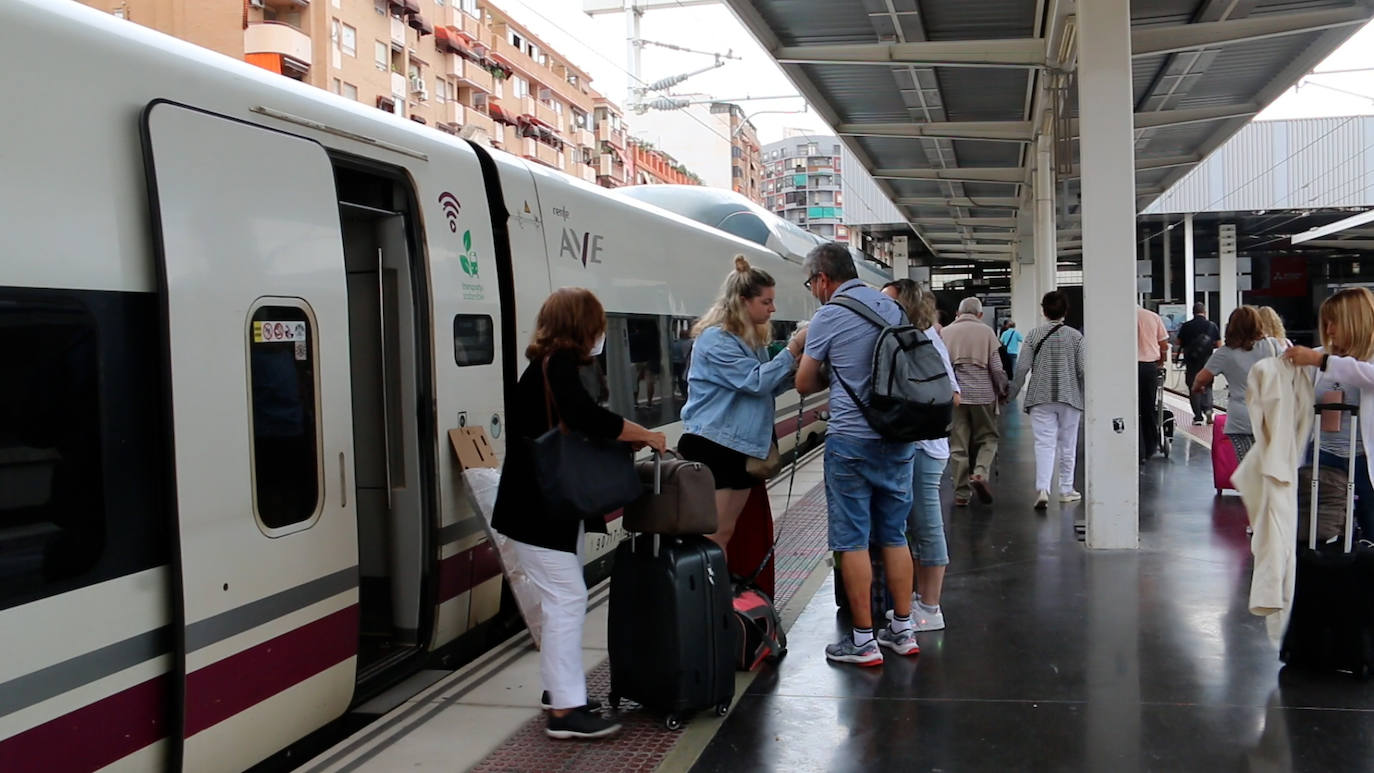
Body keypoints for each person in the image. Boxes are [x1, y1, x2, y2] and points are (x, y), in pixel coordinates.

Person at [491, 288, 667, 740]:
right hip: (538, 510)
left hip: (541, 508)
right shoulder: (559, 366)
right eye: (599, 323)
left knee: (560, 602)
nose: (602, 333)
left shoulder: (541, 367)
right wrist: (644, 434)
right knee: (568, 598)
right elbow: (587, 417)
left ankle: (559, 691)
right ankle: (566, 713)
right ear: (581, 325)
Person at [796, 242, 918, 666]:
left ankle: (863, 640)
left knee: (851, 542)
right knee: (894, 534)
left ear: (825, 279)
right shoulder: (893, 309)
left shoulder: (829, 315)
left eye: (812, 283)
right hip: (899, 438)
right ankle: (902, 630)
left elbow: (804, 383)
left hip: (851, 442)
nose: (814, 290)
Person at [680, 255, 806, 552]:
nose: (773, 309)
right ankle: (712, 596)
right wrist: (793, 348)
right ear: (743, 301)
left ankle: (720, 595)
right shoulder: (716, 339)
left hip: (738, 446)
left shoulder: (749, 342)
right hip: (714, 445)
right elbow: (755, 382)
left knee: (725, 532)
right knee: (714, 535)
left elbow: (762, 389)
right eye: (766, 301)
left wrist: (798, 373)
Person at [882, 279, 957, 631]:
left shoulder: (922, 341)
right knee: (916, 527)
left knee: (927, 527)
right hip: (921, 446)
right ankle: (919, 600)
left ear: (905, 306)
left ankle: (931, 607)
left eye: (887, 302)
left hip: (924, 448)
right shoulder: (919, 339)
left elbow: (951, 395)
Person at [1283, 288, 1374, 537]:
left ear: (1356, 322)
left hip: (1367, 461)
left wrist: (1321, 361)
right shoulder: (1318, 357)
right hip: (1322, 455)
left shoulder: (1319, 359)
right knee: (1318, 530)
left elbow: (1367, 375)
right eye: (1326, 323)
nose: (1330, 330)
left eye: (1335, 322)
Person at [1010, 291, 1085, 510]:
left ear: (1043, 311)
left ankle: (1043, 488)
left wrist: (1012, 393)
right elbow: (1082, 369)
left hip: (1040, 397)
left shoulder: (1034, 335)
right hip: (1070, 397)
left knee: (1044, 443)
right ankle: (1066, 489)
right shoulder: (1075, 337)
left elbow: (1022, 367)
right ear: (1066, 311)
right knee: (1067, 443)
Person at [1192, 306, 1285, 463]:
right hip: (1270, 416)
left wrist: (1197, 387)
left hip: (1241, 419)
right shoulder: (1272, 345)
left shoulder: (1225, 353)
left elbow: (1201, 378)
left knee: (1249, 470)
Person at [942, 297, 1008, 506]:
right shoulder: (987, 332)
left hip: (956, 396)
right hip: (983, 395)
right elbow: (996, 368)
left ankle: (961, 494)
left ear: (958, 313)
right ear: (980, 315)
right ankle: (979, 473)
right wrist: (1002, 388)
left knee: (958, 444)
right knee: (988, 437)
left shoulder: (945, 332)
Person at [1176, 303, 1221, 425]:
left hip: (1191, 363)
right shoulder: (1212, 326)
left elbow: (1178, 341)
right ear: (1204, 312)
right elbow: (1218, 345)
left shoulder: (1186, 326)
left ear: (1193, 312)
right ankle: (1208, 410)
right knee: (1208, 386)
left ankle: (1197, 417)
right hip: (1208, 362)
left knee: (1193, 387)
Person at [1136, 305, 1170, 460]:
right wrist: (1160, 363)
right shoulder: (1153, 317)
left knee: (1132, 409)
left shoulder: (1123, 317)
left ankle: (1138, 449)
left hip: (1129, 369)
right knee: (1148, 408)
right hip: (1150, 367)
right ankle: (1150, 447)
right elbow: (1164, 345)